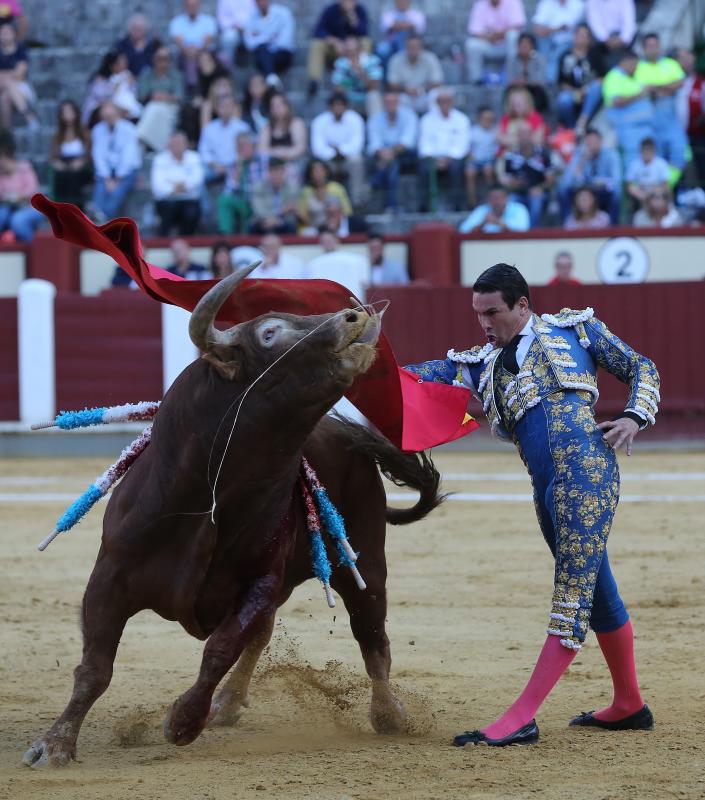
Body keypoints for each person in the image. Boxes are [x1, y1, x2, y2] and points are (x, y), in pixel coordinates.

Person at [406, 262, 658, 746]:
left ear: (522, 305)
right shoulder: (481, 363)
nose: (483, 323)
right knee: (596, 587)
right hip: (545, 488)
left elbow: (642, 366)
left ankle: (521, 716)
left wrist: (633, 416)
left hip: (586, 473)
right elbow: (415, 379)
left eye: (492, 312)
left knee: (571, 595)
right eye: (478, 313)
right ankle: (628, 703)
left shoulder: (576, 329)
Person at [635, 33, 688, 172]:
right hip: (648, 119)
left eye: (655, 46)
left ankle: (668, 186)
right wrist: (665, 88)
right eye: (649, 46)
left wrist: (656, 88)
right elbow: (640, 90)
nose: (653, 49)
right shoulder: (637, 67)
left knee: (679, 154)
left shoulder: (671, 64)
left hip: (670, 117)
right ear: (644, 48)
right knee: (654, 159)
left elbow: (680, 82)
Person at [418, 87, 471, 212]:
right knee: (425, 168)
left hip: (453, 157)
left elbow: (462, 144)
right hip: (432, 158)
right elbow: (424, 143)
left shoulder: (462, 119)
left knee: (456, 168)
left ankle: (457, 206)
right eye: (441, 101)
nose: (445, 104)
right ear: (436, 102)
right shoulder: (427, 120)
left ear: (452, 101)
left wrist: (448, 158)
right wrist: (435, 159)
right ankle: (425, 206)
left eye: (447, 100)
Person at [310, 92, 366, 206]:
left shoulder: (355, 119)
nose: (337, 108)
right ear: (329, 107)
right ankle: (326, 201)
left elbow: (357, 144)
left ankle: (357, 199)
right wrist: (333, 153)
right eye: (334, 105)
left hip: (348, 158)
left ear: (346, 107)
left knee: (357, 161)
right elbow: (317, 147)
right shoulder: (319, 121)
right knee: (319, 166)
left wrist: (341, 150)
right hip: (328, 159)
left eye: (340, 105)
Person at [367, 89, 418, 212]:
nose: (390, 105)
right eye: (387, 102)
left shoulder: (409, 116)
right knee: (392, 166)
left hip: (406, 155)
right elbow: (374, 144)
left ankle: (375, 182)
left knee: (390, 163)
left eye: (393, 102)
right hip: (384, 157)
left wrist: (390, 153)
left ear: (398, 102)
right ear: (383, 103)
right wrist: (386, 155)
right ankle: (392, 206)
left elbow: (407, 142)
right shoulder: (375, 119)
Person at [90, 100, 142, 222]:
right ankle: (97, 213)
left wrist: (118, 179)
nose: (108, 117)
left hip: (126, 171)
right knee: (101, 187)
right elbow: (99, 156)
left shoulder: (128, 128)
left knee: (117, 191)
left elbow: (128, 156)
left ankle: (102, 217)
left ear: (118, 113)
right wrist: (107, 178)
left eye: (111, 114)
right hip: (107, 172)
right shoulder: (97, 130)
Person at [307, 0, 371, 99]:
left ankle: (364, 74)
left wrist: (353, 17)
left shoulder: (360, 10)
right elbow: (318, 31)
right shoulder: (330, 10)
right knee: (317, 45)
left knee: (366, 42)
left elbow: (364, 31)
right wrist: (333, 41)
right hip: (335, 48)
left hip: (355, 50)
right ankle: (314, 80)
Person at [602, 49, 654, 169]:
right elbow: (616, 101)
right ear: (625, 62)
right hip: (628, 129)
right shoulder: (613, 77)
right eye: (634, 64)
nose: (636, 67)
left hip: (645, 128)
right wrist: (640, 94)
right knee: (632, 163)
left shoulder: (635, 75)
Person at [496, 121, 553, 227]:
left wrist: (540, 188)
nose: (524, 137)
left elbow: (550, 180)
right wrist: (514, 183)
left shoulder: (543, 154)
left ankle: (531, 234)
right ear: (517, 136)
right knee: (510, 201)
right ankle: (510, 231)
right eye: (521, 134)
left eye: (526, 133)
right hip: (517, 192)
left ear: (531, 135)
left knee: (536, 201)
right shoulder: (510, 156)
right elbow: (507, 180)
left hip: (538, 191)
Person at [558, 128, 621, 223]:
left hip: (603, 190)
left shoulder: (611, 155)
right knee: (562, 190)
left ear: (600, 141)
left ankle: (612, 228)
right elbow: (568, 180)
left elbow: (617, 180)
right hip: (585, 189)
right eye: (588, 142)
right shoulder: (580, 154)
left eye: (593, 141)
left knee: (616, 193)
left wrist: (601, 182)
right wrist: (582, 161)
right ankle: (567, 225)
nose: (590, 144)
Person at [150, 131, 204, 236]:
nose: (177, 146)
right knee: (168, 211)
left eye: (180, 143)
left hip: (189, 200)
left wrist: (173, 185)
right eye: (174, 143)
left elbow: (197, 180)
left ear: (186, 144)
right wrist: (181, 187)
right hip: (166, 201)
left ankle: (188, 243)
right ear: (169, 145)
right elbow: (158, 187)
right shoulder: (159, 159)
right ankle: (163, 244)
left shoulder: (194, 157)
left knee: (191, 213)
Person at [216, 131, 268, 234]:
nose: (241, 149)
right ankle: (225, 236)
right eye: (238, 146)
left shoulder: (265, 160)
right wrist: (238, 170)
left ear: (253, 146)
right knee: (223, 200)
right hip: (244, 204)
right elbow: (228, 192)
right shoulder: (234, 165)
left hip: (262, 203)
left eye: (244, 145)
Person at [464, 0, 526, 85]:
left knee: (513, 36)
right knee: (471, 44)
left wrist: (498, 34)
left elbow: (517, 25)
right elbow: (475, 32)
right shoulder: (480, 5)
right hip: (488, 43)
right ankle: (476, 79)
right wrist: (491, 37)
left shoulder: (513, 2)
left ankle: (513, 76)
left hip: (507, 44)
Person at [136, 46, 185, 153]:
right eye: (159, 58)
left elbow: (179, 96)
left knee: (156, 109)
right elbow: (142, 95)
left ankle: (142, 137)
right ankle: (148, 141)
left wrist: (164, 97)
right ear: (154, 59)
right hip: (149, 106)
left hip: (170, 107)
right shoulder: (146, 75)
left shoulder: (176, 75)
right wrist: (153, 96)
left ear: (170, 60)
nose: (162, 61)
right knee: (153, 109)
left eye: (165, 58)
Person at [556, 23, 603, 132]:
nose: (580, 38)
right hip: (572, 93)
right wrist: (576, 92)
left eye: (584, 36)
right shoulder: (564, 55)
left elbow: (602, 77)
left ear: (589, 39)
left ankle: (583, 121)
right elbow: (561, 82)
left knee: (596, 87)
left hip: (590, 93)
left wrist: (585, 91)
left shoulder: (595, 55)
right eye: (578, 35)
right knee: (563, 99)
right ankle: (572, 128)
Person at [198, 93, 251, 185]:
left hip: (237, 167)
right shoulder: (209, 129)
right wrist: (215, 165)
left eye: (228, 106)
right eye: (222, 106)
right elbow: (204, 152)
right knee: (200, 174)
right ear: (217, 109)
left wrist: (233, 167)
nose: (225, 109)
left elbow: (247, 153)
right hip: (214, 168)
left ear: (233, 107)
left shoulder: (243, 127)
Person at [0, 129, 43, 240]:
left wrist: (17, 195)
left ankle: (32, 249)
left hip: (28, 207)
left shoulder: (24, 168)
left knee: (17, 221)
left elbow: (32, 191)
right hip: (9, 208)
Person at [49, 99, 92, 208]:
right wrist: (57, 163)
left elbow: (89, 154)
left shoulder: (84, 133)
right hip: (64, 166)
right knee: (61, 175)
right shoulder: (58, 135)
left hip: (80, 167)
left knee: (74, 176)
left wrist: (81, 162)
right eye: (64, 112)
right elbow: (52, 156)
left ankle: (77, 207)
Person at [386, 33, 442, 115]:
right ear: (405, 47)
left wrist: (421, 90)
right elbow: (391, 84)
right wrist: (406, 89)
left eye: (416, 46)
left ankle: (432, 124)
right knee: (395, 98)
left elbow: (437, 82)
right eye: (410, 46)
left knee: (435, 95)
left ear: (421, 47)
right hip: (405, 96)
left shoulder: (431, 58)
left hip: (424, 95)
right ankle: (406, 126)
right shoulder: (396, 59)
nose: (413, 49)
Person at [169, 0, 218, 90]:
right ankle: (194, 91)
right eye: (189, 5)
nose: (192, 8)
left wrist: (197, 51)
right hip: (184, 54)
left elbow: (208, 40)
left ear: (199, 5)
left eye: (194, 5)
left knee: (217, 59)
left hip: (205, 53)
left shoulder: (209, 21)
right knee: (191, 61)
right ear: (185, 5)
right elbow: (179, 42)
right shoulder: (176, 22)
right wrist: (189, 51)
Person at [531, 0, 584, 83]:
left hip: (568, 42)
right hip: (547, 41)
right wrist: (557, 29)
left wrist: (551, 30)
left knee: (554, 57)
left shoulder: (578, 5)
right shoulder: (545, 3)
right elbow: (537, 30)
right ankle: (542, 82)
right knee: (543, 50)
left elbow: (578, 31)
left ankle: (550, 83)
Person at [297, 158, 353, 234]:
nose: (318, 174)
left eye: (321, 170)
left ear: (327, 172)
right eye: (315, 171)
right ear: (310, 174)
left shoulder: (337, 188)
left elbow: (347, 211)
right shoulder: (306, 191)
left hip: (335, 228)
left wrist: (333, 223)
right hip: (314, 228)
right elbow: (302, 215)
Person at [331, 35, 383, 116]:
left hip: (367, 96)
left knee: (373, 96)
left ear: (360, 50)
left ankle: (376, 125)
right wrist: (350, 77)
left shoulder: (373, 61)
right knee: (340, 99)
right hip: (349, 96)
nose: (351, 54)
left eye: (354, 51)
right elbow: (337, 87)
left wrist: (362, 75)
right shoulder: (340, 63)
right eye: (348, 52)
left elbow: (374, 86)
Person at [257, 92, 308, 174]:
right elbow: (261, 150)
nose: (276, 109)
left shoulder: (297, 124)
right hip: (272, 166)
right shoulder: (266, 127)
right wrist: (282, 153)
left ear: (287, 106)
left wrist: (276, 153)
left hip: (292, 165)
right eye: (273, 106)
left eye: (279, 105)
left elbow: (300, 149)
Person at [243, 0, 295, 79]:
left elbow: (285, 42)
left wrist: (259, 37)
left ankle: (271, 78)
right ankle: (272, 79)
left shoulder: (283, 13)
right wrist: (270, 37)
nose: (261, 3)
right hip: (262, 54)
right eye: (258, 1)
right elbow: (249, 43)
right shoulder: (251, 17)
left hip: (282, 55)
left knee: (264, 53)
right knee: (262, 51)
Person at [675, 47, 705, 182]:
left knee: (701, 166)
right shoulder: (671, 83)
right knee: (678, 166)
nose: (685, 62)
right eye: (681, 59)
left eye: (688, 58)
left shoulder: (701, 83)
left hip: (697, 135)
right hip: (676, 134)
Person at [0, 19, 35, 129]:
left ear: (14, 34)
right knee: (4, 98)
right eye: (3, 32)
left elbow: (20, 74)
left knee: (8, 88)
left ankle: (7, 132)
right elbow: (15, 73)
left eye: (8, 32)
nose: (5, 35)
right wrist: (11, 75)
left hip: (21, 89)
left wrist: (3, 76)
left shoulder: (21, 50)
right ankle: (28, 118)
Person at [248, 157, 298, 234]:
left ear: (283, 171)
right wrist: (279, 213)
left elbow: (291, 213)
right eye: (272, 171)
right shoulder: (258, 187)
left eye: (277, 170)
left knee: (291, 226)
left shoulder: (292, 188)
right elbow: (258, 210)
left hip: (282, 223)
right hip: (263, 222)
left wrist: (277, 220)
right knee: (252, 226)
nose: (274, 174)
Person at [586, 0, 636, 74]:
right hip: (602, 40)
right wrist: (606, 39)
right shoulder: (592, 1)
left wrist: (622, 39)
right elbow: (594, 22)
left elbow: (629, 21)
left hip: (623, 39)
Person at [458, 183, 530, 232]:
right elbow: (463, 230)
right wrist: (482, 224)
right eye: (492, 198)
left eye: (499, 198)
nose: (496, 201)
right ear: (487, 199)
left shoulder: (519, 208)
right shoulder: (481, 210)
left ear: (507, 198)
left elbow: (523, 228)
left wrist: (498, 222)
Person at [465, 106, 498, 207]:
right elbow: (467, 148)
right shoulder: (472, 131)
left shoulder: (495, 131)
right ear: (479, 119)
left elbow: (497, 149)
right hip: (475, 160)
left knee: (488, 170)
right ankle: (472, 202)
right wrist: (471, 156)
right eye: (485, 119)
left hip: (489, 160)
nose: (488, 121)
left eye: (490, 119)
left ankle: (491, 200)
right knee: (470, 173)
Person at [507, 32, 548, 113]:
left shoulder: (540, 59)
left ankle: (535, 118)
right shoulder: (512, 60)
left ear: (532, 46)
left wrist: (526, 82)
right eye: (522, 44)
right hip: (517, 88)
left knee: (539, 93)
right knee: (509, 92)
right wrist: (518, 82)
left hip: (534, 89)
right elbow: (510, 78)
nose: (524, 47)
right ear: (518, 46)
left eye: (527, 44)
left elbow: (540, 80)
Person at [377, 0, 427, 67]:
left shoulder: (417, 14)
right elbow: (385, 28)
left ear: (409, 2)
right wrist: (407, 25)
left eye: (404, 1)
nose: (402, 3)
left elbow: (420, 28)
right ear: (395, 2)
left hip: (412, 43)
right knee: (382, 49)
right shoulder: (388, 15)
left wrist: (398, 25)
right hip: (391, 43)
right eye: (399, 1)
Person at [625, 137, 670, 207]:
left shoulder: (661, 163)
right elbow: (629, 185)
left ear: (654, 151)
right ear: (641, 150)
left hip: (656, 192)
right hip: (640, 194)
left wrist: (655, 193)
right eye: (644, 150)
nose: (647, 153)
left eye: (649, 150)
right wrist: (642, 196)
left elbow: (665, 185)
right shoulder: (634, 164)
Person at [114, 13, 161, 78]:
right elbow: (120, 64)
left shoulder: (153, 45)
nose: (138, 32)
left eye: (141, 29)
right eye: (135, 28)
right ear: (129, 29)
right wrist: (137, 51)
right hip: (127, 79)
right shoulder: (121, 45)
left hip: (150, 80)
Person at [217, 0, 256, 67]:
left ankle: (257, 67)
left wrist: (247, 27)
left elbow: (256, 14)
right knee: (228, 37)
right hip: (233, 29)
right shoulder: (223, 1)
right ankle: (229, 65)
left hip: (251, 28)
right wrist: (235, 25)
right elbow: (222, 20)